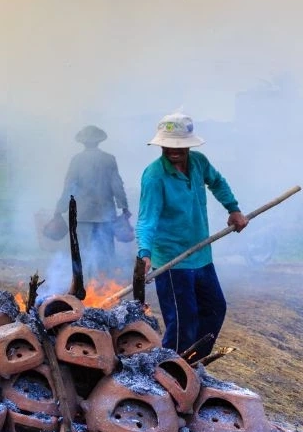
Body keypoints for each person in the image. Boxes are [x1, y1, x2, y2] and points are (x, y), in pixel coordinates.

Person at [135, 112, 248, 359]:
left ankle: (193, 364)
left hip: (201, 255)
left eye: (179, 146)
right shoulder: (155, 176)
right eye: (169, 145)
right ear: (161, 144)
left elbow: (217, 182)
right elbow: (147, 219)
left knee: (215, 309)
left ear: (188, 144)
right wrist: (144, 253)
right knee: (182, 323)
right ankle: (169, 372)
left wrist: (234, 209)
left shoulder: (199, 163)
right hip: (172, 261)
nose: (174, 151)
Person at [53, 125, 130, 278]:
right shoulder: (109, 159)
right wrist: (124, 207)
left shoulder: (77, 160)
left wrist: (59, 209)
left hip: (82, 215)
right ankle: (105, 283)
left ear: (83, 142)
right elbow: (117, 185)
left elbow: (69, 187)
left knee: (83, 251)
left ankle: (85, 284)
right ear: (99, 141)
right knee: (106, 251)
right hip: (105, 214)